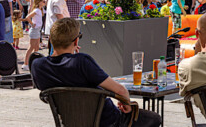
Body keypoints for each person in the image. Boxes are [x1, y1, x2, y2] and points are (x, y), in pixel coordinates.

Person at [31, 18, 162, 127]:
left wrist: (70, 55)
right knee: (154, 118)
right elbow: (120, 91)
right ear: (76, 41)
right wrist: (127, 104)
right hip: (107, 121)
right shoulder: (81, 62)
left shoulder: (38, 66)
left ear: (51, 40)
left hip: (69, 122)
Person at [22, 0, 45, 70]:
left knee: (36, 47)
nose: (44, 2)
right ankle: (25, 64)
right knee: (31, 47)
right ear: (39, 2)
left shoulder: (40, 10)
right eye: (43, 1)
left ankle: (34, 62)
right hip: (35, 30)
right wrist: (32, 24)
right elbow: (27, 17)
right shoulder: (36, 10)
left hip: (37, 30)